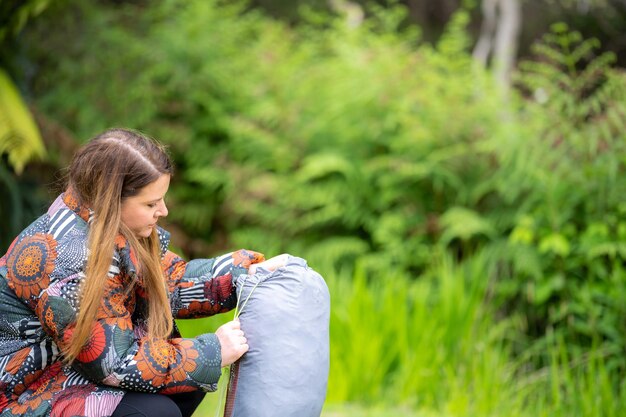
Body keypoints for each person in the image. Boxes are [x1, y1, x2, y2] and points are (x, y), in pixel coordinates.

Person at [0, 128, 288, 417]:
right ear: (111, 198)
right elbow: (114, 362)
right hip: (23, 395)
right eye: (151, 203)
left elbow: (170, 281)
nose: (163, 210)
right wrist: (212, 352)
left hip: (69, 371)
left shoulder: (111, 227)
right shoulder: (68, 260)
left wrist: (245, 276)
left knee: (185, 385)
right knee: (154, 412)